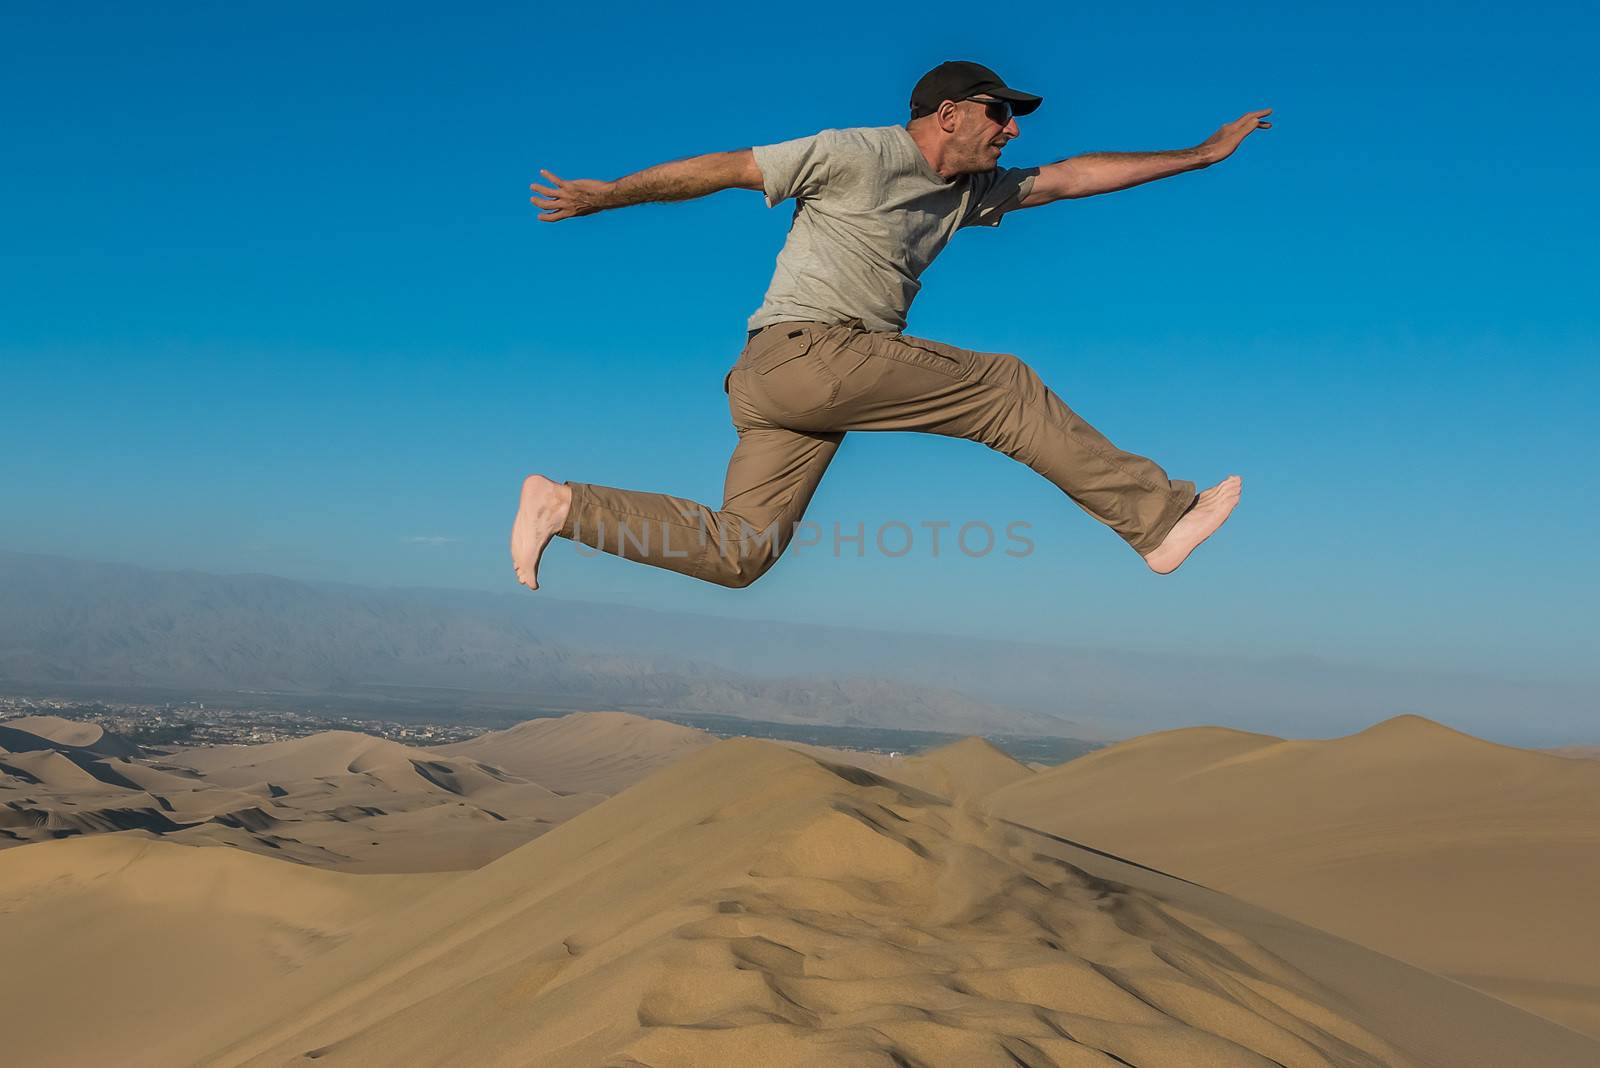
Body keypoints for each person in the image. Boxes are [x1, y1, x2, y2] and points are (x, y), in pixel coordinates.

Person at [514, 60, 1268, 590]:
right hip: (808, 352)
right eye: (998, 114)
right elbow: (727, 168)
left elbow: (1072, 175)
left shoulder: (969, 193)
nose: (1010, 131)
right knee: (1004, 389)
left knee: (739, 553)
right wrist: (609, 194)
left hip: (778, 385)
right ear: (948, 115)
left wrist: (1201, 155)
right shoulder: (856, 152)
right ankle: (1157, 521)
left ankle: (565, 504)